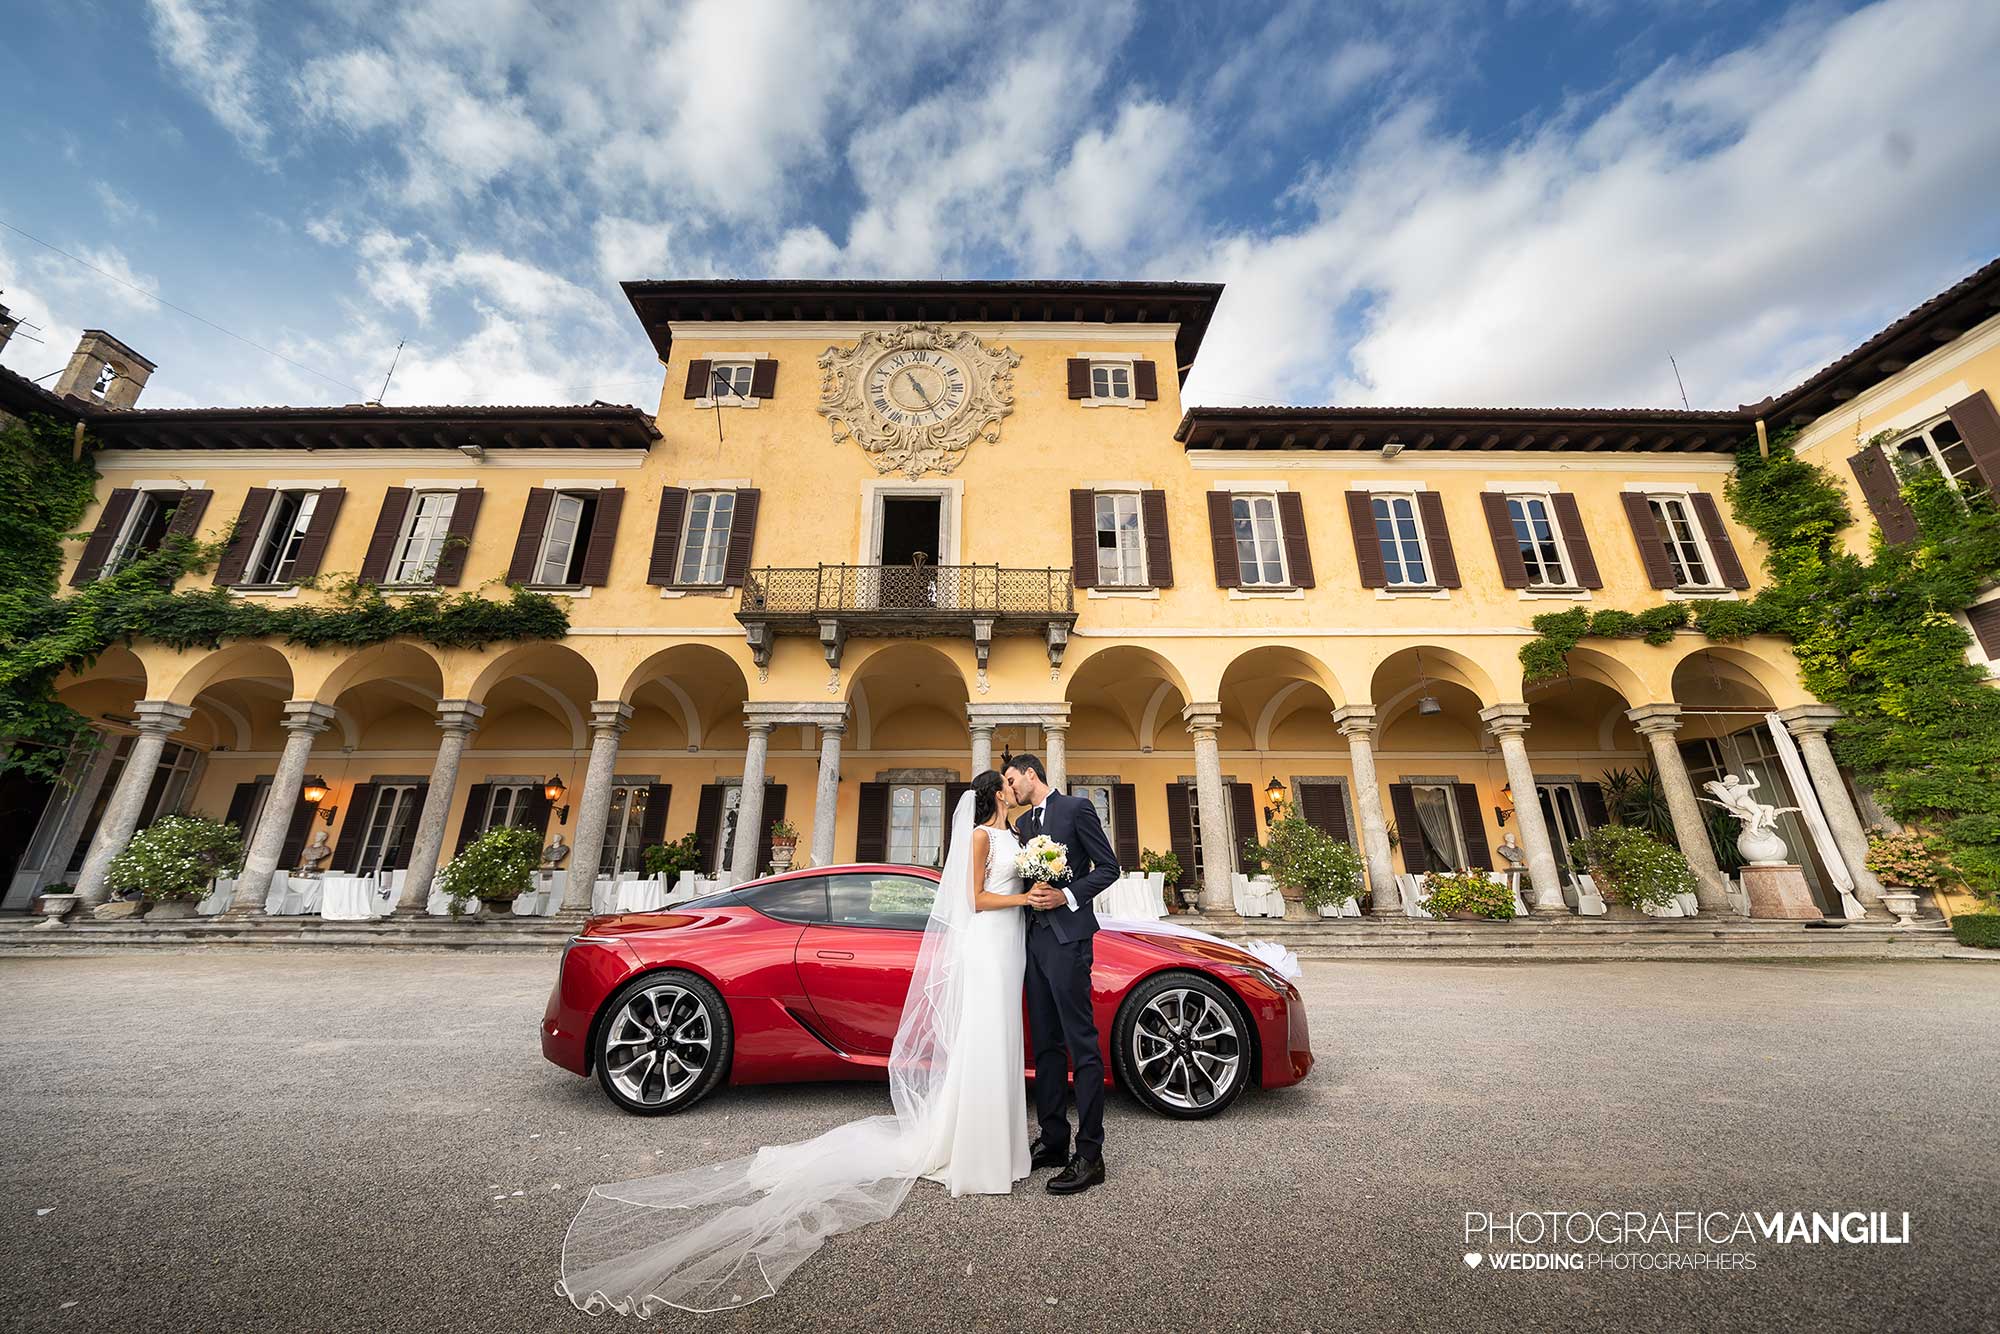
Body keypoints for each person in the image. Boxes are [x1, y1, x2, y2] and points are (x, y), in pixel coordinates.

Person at [556, 770, 1038, 1316]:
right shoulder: (980, 838)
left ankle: (992, 1143)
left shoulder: (1011, 838)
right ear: (997, 792)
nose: (1014, 788)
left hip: (1002, 946)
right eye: (1009, 784)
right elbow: (972, 900)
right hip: (988, 937)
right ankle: (973, 1148)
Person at [1002, 753, 1121, 1195]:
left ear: (1031, 774)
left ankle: (1090, 1153)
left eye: (1012, 781)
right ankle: (1053, 1140)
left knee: (1081, 1045)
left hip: (1069, 941)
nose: (1009, 790)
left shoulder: (1077, 808)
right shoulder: (1024, 826)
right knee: (1046, 1046)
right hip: (1033, 943)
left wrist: (1066, 895)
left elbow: (1109, 867)